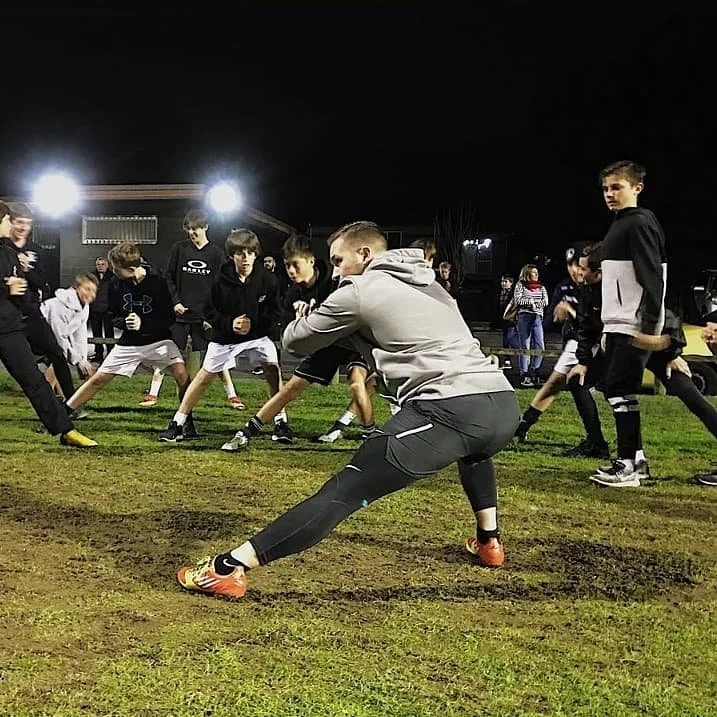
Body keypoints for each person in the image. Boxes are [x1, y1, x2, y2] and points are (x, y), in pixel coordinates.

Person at [176, 220, 519, 600]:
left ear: (365, 255)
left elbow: (295, 343)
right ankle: (489, 541)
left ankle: (228, 567)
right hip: (502, 405)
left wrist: (306, 314)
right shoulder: (431, 282)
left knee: (345, 490)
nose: (335, 271)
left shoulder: (359, 289)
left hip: (449, 408)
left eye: (338, 260)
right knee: (473, 451)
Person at [219, 233, 376, 451]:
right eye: (287, 266)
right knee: (290, 388)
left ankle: (371, 435)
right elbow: (291, 333)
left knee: (357, 382)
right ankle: (246, 433)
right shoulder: (292, 294)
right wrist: (301, 322)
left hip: (354, 341)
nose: (291, 271)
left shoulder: (333, 279)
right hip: (329, 344)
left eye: (295, 265)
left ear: (311, 261)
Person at [579, 160, 668, 486]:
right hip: (619, 323)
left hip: (634, 324)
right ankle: (636, 461)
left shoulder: (639, 222)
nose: (609, 194)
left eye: (617, 187)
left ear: (637, 188)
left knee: (617, 388)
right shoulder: (621, 223)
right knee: (617, 389)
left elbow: (653, 277)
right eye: (605, 188)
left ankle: (628, 465)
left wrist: (647, 327)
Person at [158, 228, 282, 443]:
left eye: (250, 253)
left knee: (272, 369)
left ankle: (281, 422)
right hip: (226, 337)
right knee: (204, 377)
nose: (245, 258)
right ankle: (177, 423)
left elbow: (275, 313)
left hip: (257, 336)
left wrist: (255, 324)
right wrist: (229, 324)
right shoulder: (219, 279)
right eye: (240, 253)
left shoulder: (268, 279)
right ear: (232, 255)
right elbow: (210, 311)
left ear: (256, 254)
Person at [64, 243, 191, 431]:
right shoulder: (116, 283)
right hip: (130, 342)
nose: (114, 272)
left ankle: (185, 422)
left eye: (117, 269)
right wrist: (125, 323)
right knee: (98, 379)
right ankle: (61, 415)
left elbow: (169, 317)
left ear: (131, 269)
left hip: (159, 339)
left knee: (182, 375)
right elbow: (113, 314)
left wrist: (144, 324)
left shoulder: (158, 280)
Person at [0, 201, 96, 447]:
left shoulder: (11, 252)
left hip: (9, 327)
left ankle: (65, 429)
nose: (12, 225)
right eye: (9, 220)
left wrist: (20, 289)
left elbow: (23, 288)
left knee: (34, 379)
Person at [139, 209, 243, 409]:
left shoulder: (216, 253)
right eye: (189, 229)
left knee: (216, 354)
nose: (192, 233)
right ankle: (152, 394)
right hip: (180, 313)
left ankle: (232, 395)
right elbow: (168, 277)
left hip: (204, 316)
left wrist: (212, 314)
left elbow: (222, 285)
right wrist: (175, 302)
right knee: (167, 352)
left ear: (205, 227)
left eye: (196, 229)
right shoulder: (179, 249)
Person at [514, 244, 609, 457]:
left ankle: (606, 446)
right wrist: (558, 316)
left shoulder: (600, 287)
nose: (576, 270)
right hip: (581, 343)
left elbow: (597, 322)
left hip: (599, 343)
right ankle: (599, 443)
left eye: (579, 265)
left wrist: (573, 313)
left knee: (612, 393)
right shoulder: (566, 288)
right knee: (561, 383)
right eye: (571, 265)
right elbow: (549, 320)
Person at [6, 202, 78, 403]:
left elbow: (44, 284)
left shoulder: (34, 250)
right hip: (7, 315)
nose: (23, 227)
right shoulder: (3, 248)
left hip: (31, 313)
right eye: (19, 222)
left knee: (57, 354)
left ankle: (72, 402)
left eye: (27, 223)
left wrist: (26, 270)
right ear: (10, 222)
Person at [40, 273, 99, 397]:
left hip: (52, 339)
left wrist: (83, 359)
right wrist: (77, 361)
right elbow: (59, 335)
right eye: (87, 289)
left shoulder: (84, 307)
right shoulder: (59, 305)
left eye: (94, 291)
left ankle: (66, 401)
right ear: (76, 288)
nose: (91, 294)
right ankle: (47, 400)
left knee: (59, 363)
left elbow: (80, 334)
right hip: (34, 336)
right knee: (58, 361)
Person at [513, 263, 549, 387]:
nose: (536, 274)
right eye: (534, 272)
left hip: (537, 317)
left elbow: (545, 301)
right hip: (524, 316)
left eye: (537, 272)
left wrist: (536, 305)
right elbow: (518, 300)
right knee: (525, 346)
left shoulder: (541, 287)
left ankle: (535, 371)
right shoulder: (520, 285)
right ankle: (525, 374)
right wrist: (530, 303)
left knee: (540, 345)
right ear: (527, 274)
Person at [89, 256, 115, 363]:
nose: (100, 266)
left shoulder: (113, 277)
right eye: (98, 264)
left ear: (107, 265)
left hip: (107, 309)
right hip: (95, 308)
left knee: (109, 332)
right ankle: (98, 354)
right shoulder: (91, 276)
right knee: (96, 332)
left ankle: (110, 354)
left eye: (102, 264)